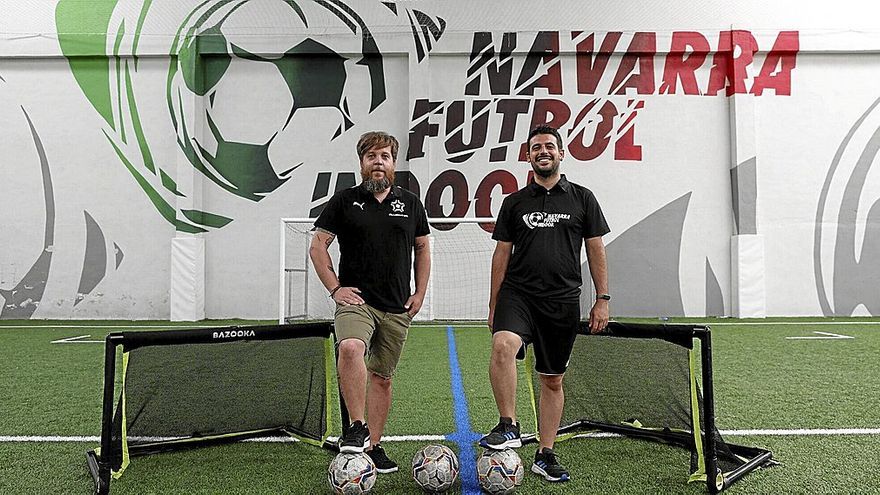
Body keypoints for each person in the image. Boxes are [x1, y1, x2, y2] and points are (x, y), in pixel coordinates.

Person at [480, 124, 610, 483]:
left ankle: (545, 453)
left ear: (561, 153)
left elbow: (596, 248)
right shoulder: (514, 202)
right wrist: (493, 304)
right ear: (528, 156)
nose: (543, 152)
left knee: (552, 380)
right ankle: (509, 424)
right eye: (536, 147)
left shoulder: (583, 198)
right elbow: (501, 254)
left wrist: (602, 298)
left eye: (549, 146)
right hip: (518, 294)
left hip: (562, 300)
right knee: (503, 344)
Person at [309, 131, 430, 473]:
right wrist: (335, 289)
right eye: (371, 156)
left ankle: (374, 446)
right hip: (357, 302)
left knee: (382, 377)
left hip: (396, 306)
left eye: (385, 156)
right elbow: (318, 246)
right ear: (362, 163)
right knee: (349, 347)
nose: (378, 162)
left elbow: (422, 248)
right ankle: (357, 427)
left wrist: (419, 293)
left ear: (394, 163)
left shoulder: (410, 203)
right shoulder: (344, 201)